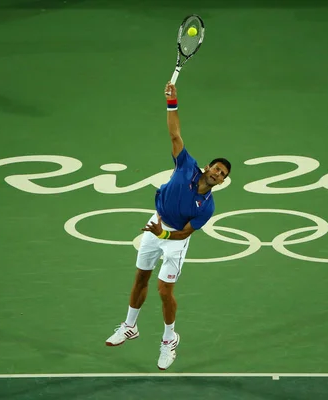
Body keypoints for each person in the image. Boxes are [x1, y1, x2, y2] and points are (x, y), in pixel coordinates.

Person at [105, 82, 231, 370]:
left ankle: (169, 338)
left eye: (222, 174)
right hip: (156, 224)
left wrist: (162, 234)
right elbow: (174, 133)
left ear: (222, 181)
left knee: (165, 291)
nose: (217, 174)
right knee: (140, 278)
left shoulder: (207, 207)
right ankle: (129, 326)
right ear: (208, 167)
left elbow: (185, 232)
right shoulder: (186, 165)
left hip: (172, 238)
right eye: (216, 168)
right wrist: (172, 102)